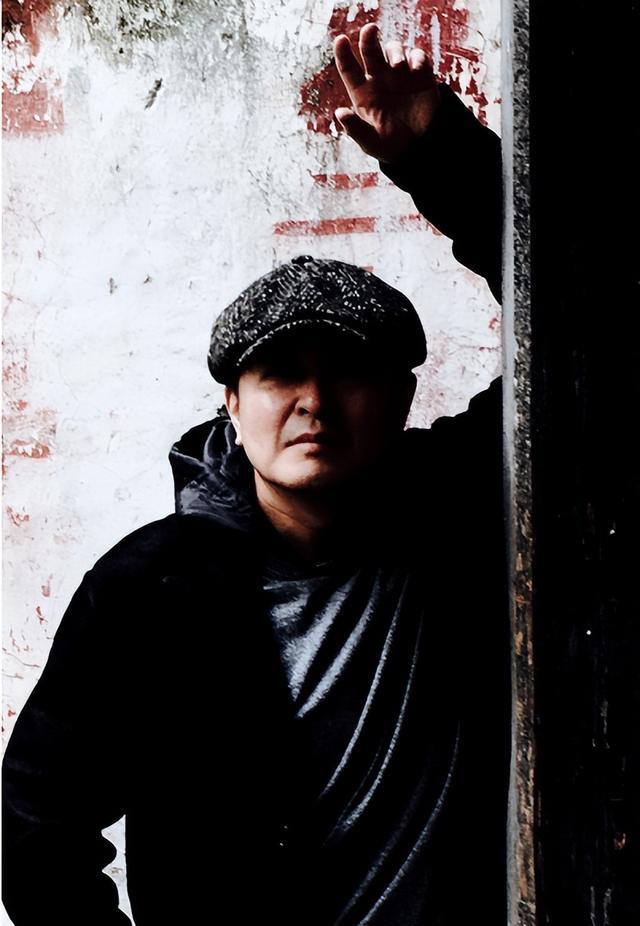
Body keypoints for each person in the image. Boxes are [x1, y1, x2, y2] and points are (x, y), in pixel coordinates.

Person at [2, 23, 507, 926]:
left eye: (347, 373)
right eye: (279, 375)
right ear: (231, 407)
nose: (314, 402)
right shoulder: (147, 589)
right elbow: (38, 829)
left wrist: (447, 161)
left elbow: (590, 324)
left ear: (400, 399)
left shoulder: (462, 508)